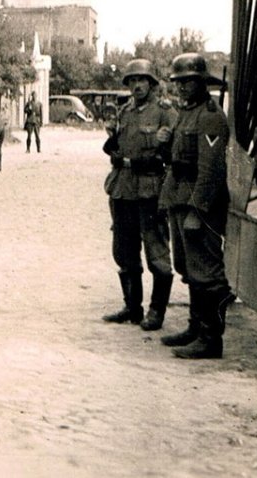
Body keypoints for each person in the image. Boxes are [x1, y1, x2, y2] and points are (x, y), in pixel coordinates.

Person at [158, 53, 235, 359]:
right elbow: (176, 159)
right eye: (178, 82)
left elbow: (212, 170)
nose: (182, 87)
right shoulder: (185, 114)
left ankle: (210, 338)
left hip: (199, 205)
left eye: (188, 81)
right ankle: (195, 326)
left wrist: (197, 210)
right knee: (188, 268)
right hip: (179, 197)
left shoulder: (211, 115)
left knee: (208, 272)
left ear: (202, 82)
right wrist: (165, 141)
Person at [100, 59, 176, 330]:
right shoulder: (125, 112)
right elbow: (117, 147)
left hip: (150, 190)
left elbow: (174, 155)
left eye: (141, 80)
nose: (136, 86)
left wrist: (165, 147)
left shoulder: (165, 112)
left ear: (152, 84)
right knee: (123, 249)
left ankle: (156, 312)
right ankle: (132, 308)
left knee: (156, 250)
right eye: (131, 81)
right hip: (122, 189)